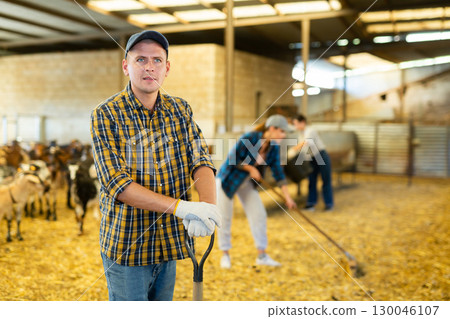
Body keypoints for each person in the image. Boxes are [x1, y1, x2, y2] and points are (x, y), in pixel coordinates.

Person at [90, 30, 221, 301]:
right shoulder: (105, 114)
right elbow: (118, 184)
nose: (149, 66)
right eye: (140, 59)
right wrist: (183, 207)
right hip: (127, 248)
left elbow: (200, 159)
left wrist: (207, 205)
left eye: (157, 60)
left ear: (167, 68)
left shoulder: (179, 110)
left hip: (168, 244)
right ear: (126, 66)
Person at [217, 115, 297, 269]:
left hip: (246, 182)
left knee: (259, 214)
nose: (284, 135)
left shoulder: (273, 147)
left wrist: (288, 197)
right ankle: (225, 255)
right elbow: (232, 159)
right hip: (228, 180)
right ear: (272, 129)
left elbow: (278, 172)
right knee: (225, 217)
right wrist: (251, 168)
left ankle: (262, 255)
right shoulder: (250, 138)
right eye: (281, 132)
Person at [291, 114, 334, 211]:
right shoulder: (300, 134)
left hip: (320, 155)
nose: (295, 126)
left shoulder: (310, 131)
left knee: (325, 180)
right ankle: (311, 204)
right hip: (311, 158)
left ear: (303, 122)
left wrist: (293, 150)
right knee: (311, 180)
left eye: (296, 124)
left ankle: (329, 204)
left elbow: (306, 142)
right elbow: (304, 149)